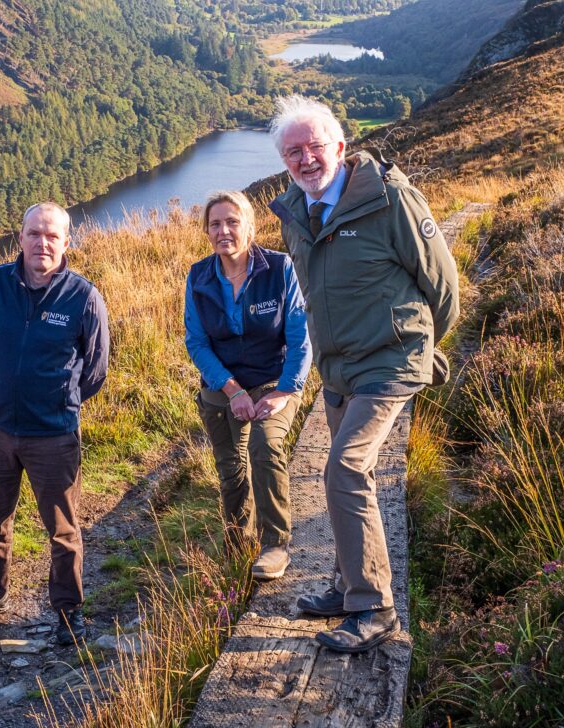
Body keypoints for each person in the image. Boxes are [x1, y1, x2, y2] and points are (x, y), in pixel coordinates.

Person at [269, 96, 459, 653]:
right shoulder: (294, 210)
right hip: (339, 368)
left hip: (389, 358)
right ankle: (347, 583)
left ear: (340, 146)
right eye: (293, 152)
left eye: (315, 146)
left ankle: (375, 608)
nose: (306, 159)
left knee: (345, 468)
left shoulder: (390, 198)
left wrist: (419, 348)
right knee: (346, 474)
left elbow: (444, 286)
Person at [0, 202, 109, 647]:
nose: (42, 243)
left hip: (53, 434)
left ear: (67, 242)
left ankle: (69, 613)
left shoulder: (83, 297)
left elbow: (95, 370)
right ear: (20, 238)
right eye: (34, 233)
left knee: (63, 529)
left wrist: (58, 401)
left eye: (52, 236)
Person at [184, 190, 312, 580]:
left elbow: (300, 337)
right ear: (207, 232)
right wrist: (232, 390)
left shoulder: (279, 268)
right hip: (222, 386)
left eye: (232, 222)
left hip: (275, 380)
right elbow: (197, 342)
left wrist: (285, 390)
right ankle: (239, 546)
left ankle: (275, 544)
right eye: (215, 224)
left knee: (264, 444)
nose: (223, 231)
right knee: (231, 470)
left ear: (250, 227)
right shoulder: (199, 276)